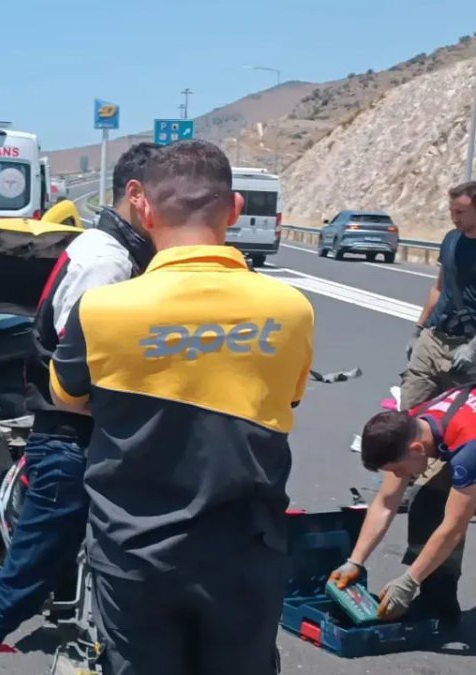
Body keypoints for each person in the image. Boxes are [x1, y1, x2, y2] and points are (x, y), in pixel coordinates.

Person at [49, 139, 315, 675]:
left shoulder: (101, 309)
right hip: (245, 550)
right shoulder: (290, 309)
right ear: (235, 209)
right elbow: (287, 396)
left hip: (133, 553)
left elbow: (66, 395)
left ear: (142, 205)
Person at [0, 142, 162, 675]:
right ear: (136, 196)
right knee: (21, 583)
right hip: (71, 443)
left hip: (81, 443)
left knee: (70, 573)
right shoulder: (105, 262)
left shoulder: (114, 251)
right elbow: (75, 367)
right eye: (168, 198)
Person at [331, 384, 476, 628]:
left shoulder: (468, 448)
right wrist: (354, 562)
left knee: (454, 509)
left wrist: (410, 580)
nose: (400, 476)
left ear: (416, 449)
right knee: (429, 503)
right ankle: (438, 602)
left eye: (399, 469)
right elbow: (387, 502)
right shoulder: (411, 424)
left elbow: (453, 528)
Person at [402, 181, 476, 411]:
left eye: (460, 212)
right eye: (451, 211)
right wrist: (418, 330)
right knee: (407, 415)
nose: (454, 218)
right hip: (434, 339)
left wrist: (473, 348)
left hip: (467, 347)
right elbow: (439, 287)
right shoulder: (451, 239)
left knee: (456, 424)